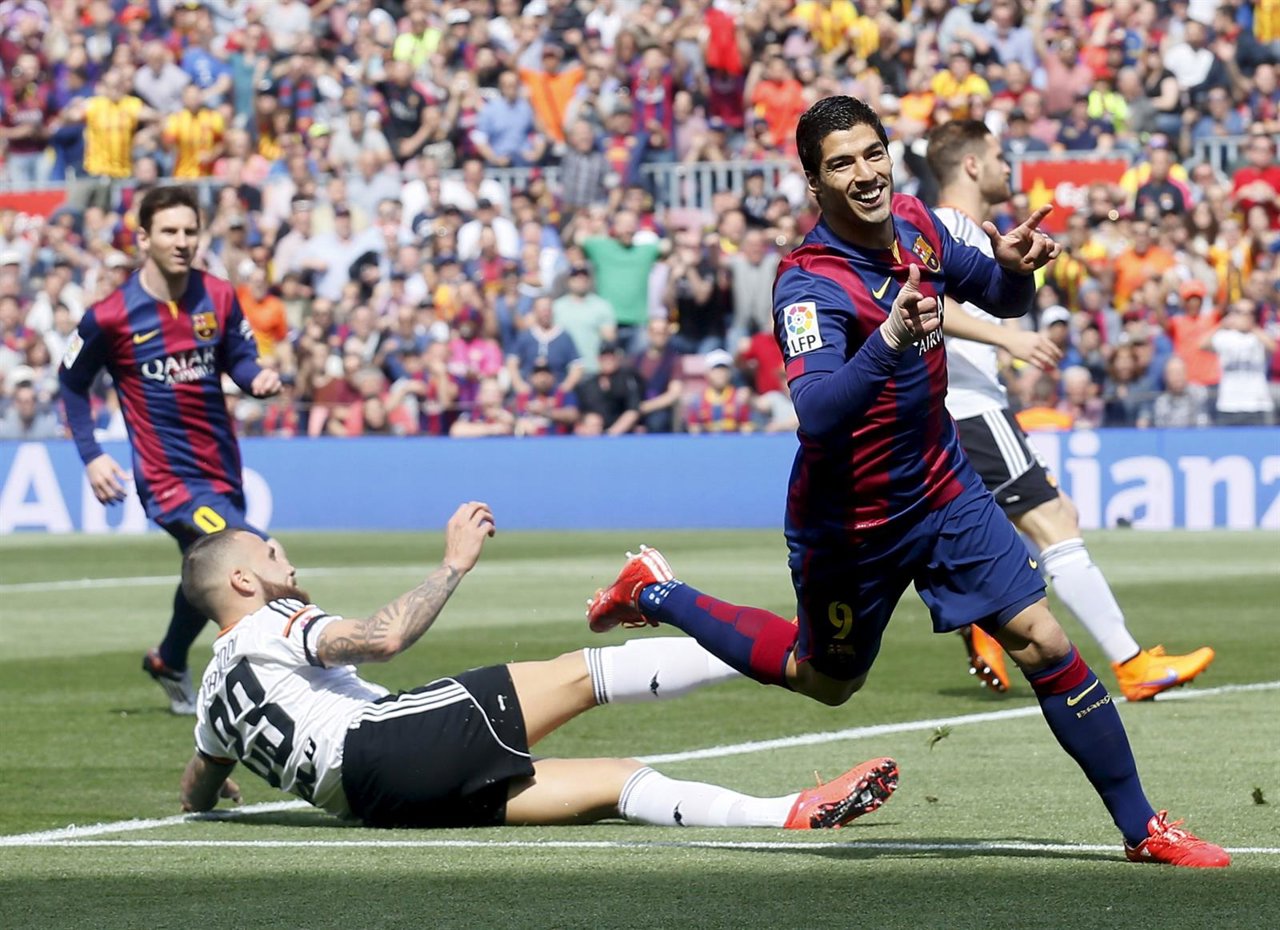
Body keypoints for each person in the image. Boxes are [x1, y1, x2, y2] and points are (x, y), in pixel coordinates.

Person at [585, 97, 1227, 868]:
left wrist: (1018, 272)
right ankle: (656, 591)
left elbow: (997, 292)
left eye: (873, 153)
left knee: (1041, 637)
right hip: (851, 521)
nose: (866, 174)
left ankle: (1142, 828)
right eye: (842, 164)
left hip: (942, 484)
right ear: (814, 184)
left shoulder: (918, 223)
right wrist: (890, 336)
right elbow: (817, 412)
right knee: (825, 682)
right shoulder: (807, 285)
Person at [177, 502, 899, 831]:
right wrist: (453, 566)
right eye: (272, 557)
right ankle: (769, 652)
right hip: (384, 741)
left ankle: (788, 815)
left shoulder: (213, 694)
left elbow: (196, 791)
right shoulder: (270, 622)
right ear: (243, 584)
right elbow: (377, 639)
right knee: (585, 674)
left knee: (617, 784)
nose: (289, 561)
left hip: (378, 806)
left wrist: (222, 789)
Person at [924, 119, 1214, 702]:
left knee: (1038, 520)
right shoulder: (953, 226)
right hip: (970, 404)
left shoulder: (955, 227)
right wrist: (1007, 338)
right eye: (1001, 155)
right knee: (1055, 520)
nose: (1011, 167)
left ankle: (984, 623)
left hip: (964, 403)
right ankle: (1130, 664)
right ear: (973, 165)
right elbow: (931, 303)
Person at [58, 185, 282, 715]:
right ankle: (283, 685)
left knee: (201, 570)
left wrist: (257, 380)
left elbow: (238, 359)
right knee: (257, 554)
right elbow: (70, 382)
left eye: (189, 231)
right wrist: (91, 454)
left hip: (221, 468)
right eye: (169, 231)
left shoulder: (218, 295)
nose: (181, 242)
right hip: (169, 483)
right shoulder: (109, 316)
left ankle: (169, 658)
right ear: (144, 239)